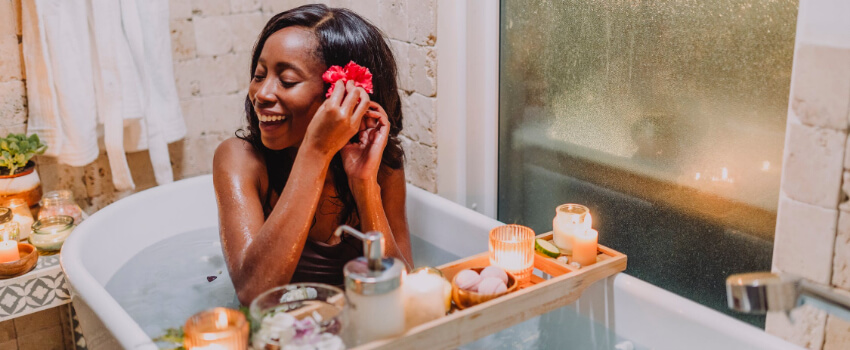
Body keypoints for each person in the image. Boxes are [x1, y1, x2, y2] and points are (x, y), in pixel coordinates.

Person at [212, 4, 412, 305]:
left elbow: (404, 289)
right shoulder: (240, 159)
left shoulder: (382, 163)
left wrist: (364, 184)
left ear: (344, 95)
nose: (261, 94)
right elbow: (253, 294)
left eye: (287, 81)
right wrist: (316, 151)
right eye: (259, 75)